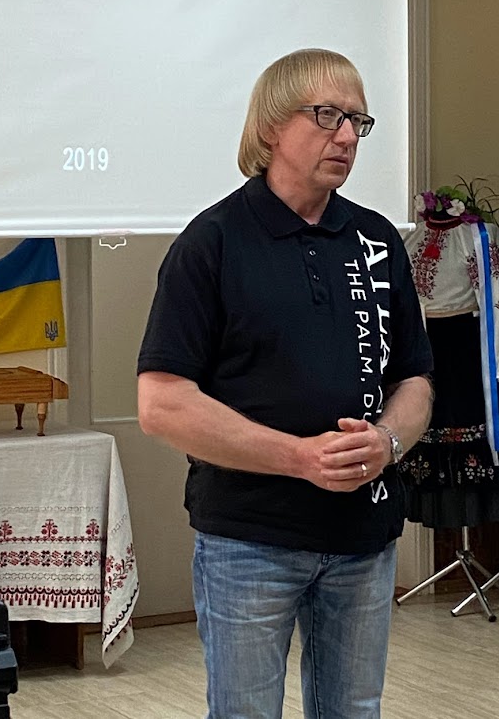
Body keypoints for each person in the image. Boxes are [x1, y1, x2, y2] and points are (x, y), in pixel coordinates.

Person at [137, 48, 433, 719]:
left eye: (358, 120)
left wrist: (388, 442)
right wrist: (299, 458)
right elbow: (161, 404)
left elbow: (414, 379)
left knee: (353, 711)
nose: (347, 136)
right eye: (327, 116)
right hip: (250, 541)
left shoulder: (377, 240)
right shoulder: (212, 243)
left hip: (364, 539)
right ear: (271, 126)